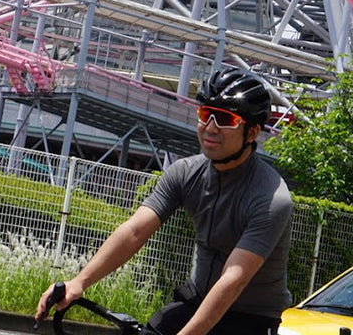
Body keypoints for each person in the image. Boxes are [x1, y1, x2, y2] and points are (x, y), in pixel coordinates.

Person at [36, 69, 294, 335]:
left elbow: (233, 279)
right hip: (197, 298)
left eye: (225, 119)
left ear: (251, 133)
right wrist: (79, 282)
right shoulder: (185, 172)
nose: (211, 127)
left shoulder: (271, 198)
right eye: (206, 115)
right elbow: (135, 231)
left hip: (249, 318)